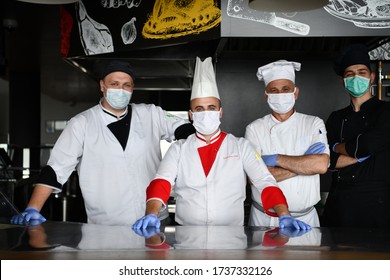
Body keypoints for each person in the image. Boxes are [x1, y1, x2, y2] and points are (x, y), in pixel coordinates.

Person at [132, 57, 311, 230]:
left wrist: (284, 214)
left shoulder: (241, 146)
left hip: (231, 235)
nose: (206, 113)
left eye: (211, 108)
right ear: (191, 115)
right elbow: (161, 182)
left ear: (220, 112)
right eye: (199, 109)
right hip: (187, 234)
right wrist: (151, 214)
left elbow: (265, 182)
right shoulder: (178, 149)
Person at [11, 60, 195, 226]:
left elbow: (186, 131)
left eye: (126, 85)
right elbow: (55, 170)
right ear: (102, 86)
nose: (120, 90)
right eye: (114, 84)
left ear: (132, 89)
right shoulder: (81, 123)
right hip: (105, 226)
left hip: (153, 222)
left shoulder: (151, 114)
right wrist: (33, 208)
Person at [245, 60, 330, 227]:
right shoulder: (254, 129)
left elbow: (321, 166)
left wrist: (276, 159)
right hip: (264, 218)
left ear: (295, 93)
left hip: (305, 218)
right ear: (266, 96)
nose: (280, 94)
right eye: (273, 91)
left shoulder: (313, 123)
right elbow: (254, 178)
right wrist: (304, 164)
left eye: (286, 89)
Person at [322, 44, 390, 228]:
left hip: (378, 203)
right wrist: (359, 152)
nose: (356, 77)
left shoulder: (386, 111)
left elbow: (367, 145)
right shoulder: (336, 118)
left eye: (362, 72)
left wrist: (338, 146)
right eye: (350, 74)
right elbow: (326, 160)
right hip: (340, 204)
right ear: (343, 81)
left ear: (372, 77)